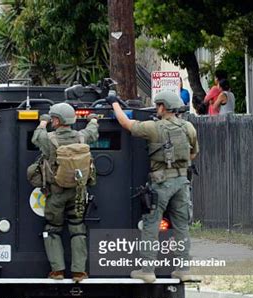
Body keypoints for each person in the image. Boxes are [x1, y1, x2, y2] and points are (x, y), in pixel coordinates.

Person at [107, 91, 199, 283]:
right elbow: (193, 154)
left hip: (161, 183)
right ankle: (183, 269)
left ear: (163, 107)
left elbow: (125, 123)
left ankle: (147, 270)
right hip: (182, 182)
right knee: (181, 226)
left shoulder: (153, 128)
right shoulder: (188, 127)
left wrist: (114, 102)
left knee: (151, 226)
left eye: (158, 106)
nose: (157, 109)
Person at [31, 103, 99, 282]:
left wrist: (42, 123)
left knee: (52, 229)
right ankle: (78, 272)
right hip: (78, 192)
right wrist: (92, 119)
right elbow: (92, 131)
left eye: (53, 118)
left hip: (56, 193)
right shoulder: (81, 137)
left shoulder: (50, 139)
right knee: (77, 229)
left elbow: (36, 138)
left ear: (57, 120)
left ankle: (58, 271)